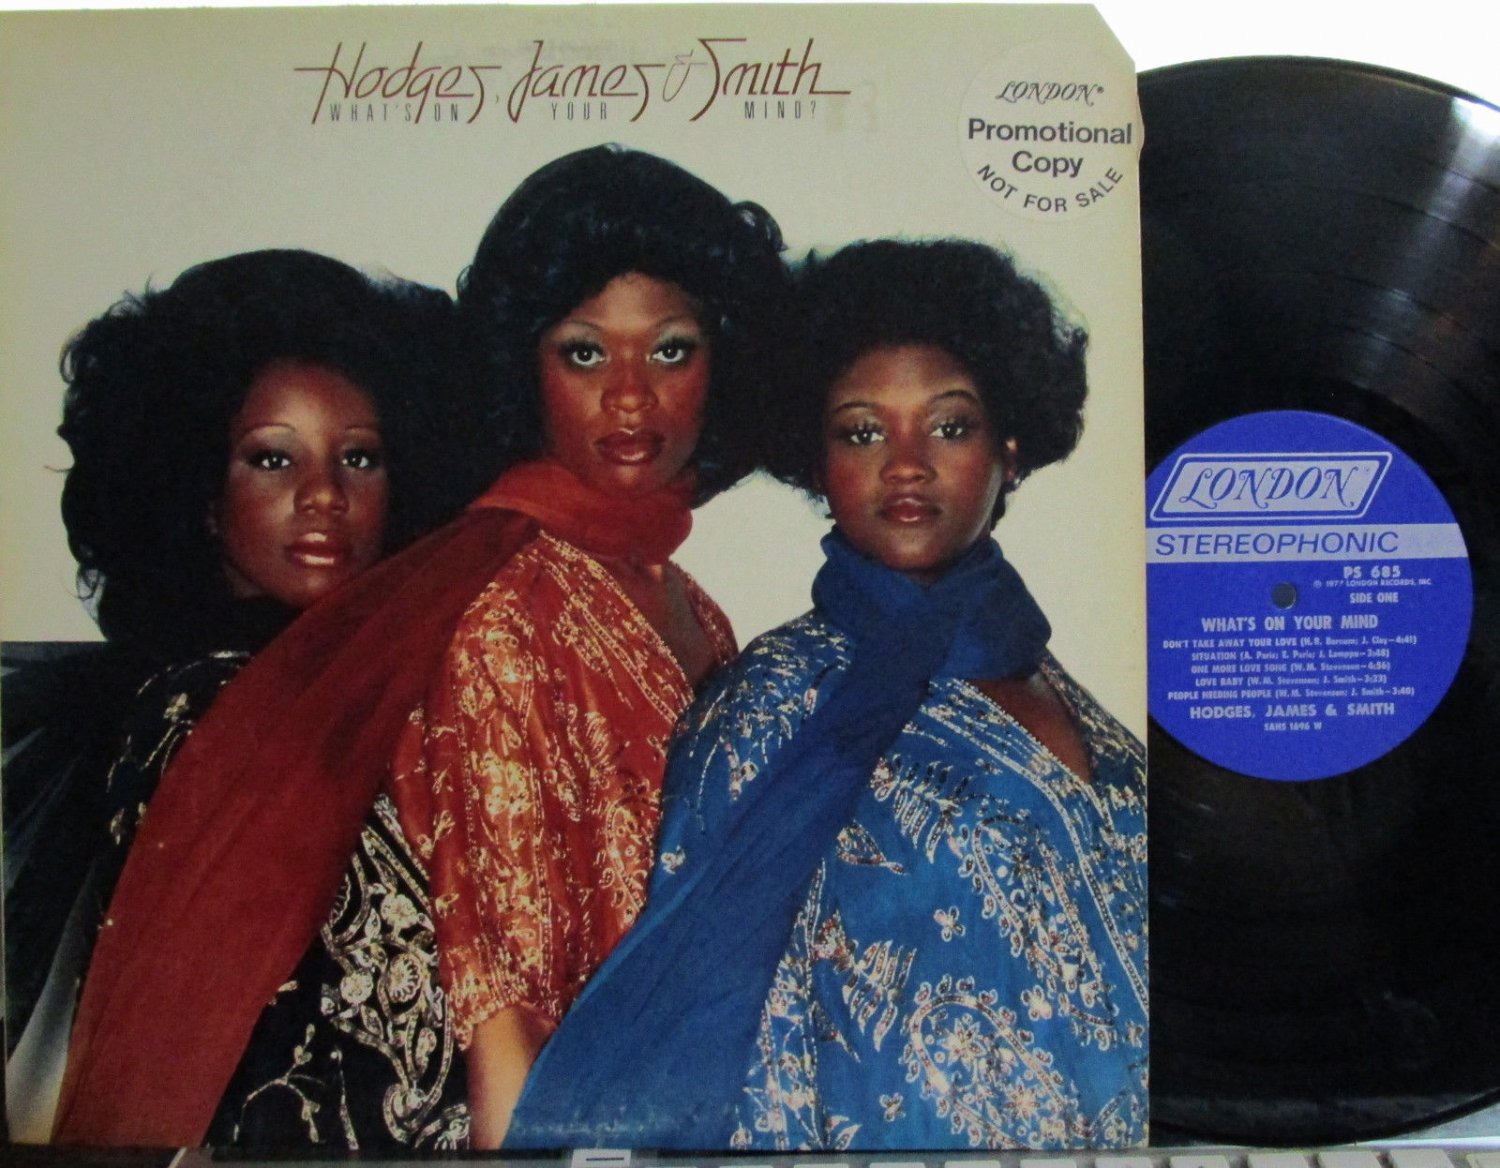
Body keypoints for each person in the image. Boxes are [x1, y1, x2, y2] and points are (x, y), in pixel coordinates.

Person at [51, 145, 788, 1150]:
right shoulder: (500, 609)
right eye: (584, 352)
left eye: (670, 350)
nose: (629, 397)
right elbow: (499, 1002)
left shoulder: (686, 604)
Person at [507, 238, 1148, 1151]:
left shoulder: (1061, 686)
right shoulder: (772, 707)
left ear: (1010, 450)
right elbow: (735, 1042)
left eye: (949, 426)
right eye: (862, 432)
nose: (906, 464)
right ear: (818, 464)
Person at [3, 249, 463, 1147]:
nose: (324, 495)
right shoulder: (201, 709)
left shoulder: (410, 690)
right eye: (272, 459)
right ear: (202, 496)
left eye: (360, 457)